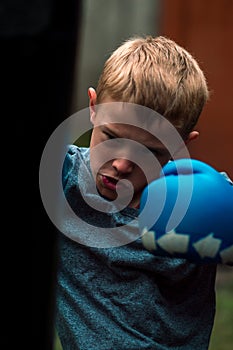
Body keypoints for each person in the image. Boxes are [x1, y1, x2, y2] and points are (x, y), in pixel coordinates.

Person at [55, 36, 217, 349]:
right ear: (93, 107)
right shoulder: (64, 180)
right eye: (111, 136)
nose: (121, 163)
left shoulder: (202, 202)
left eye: (148, 151)